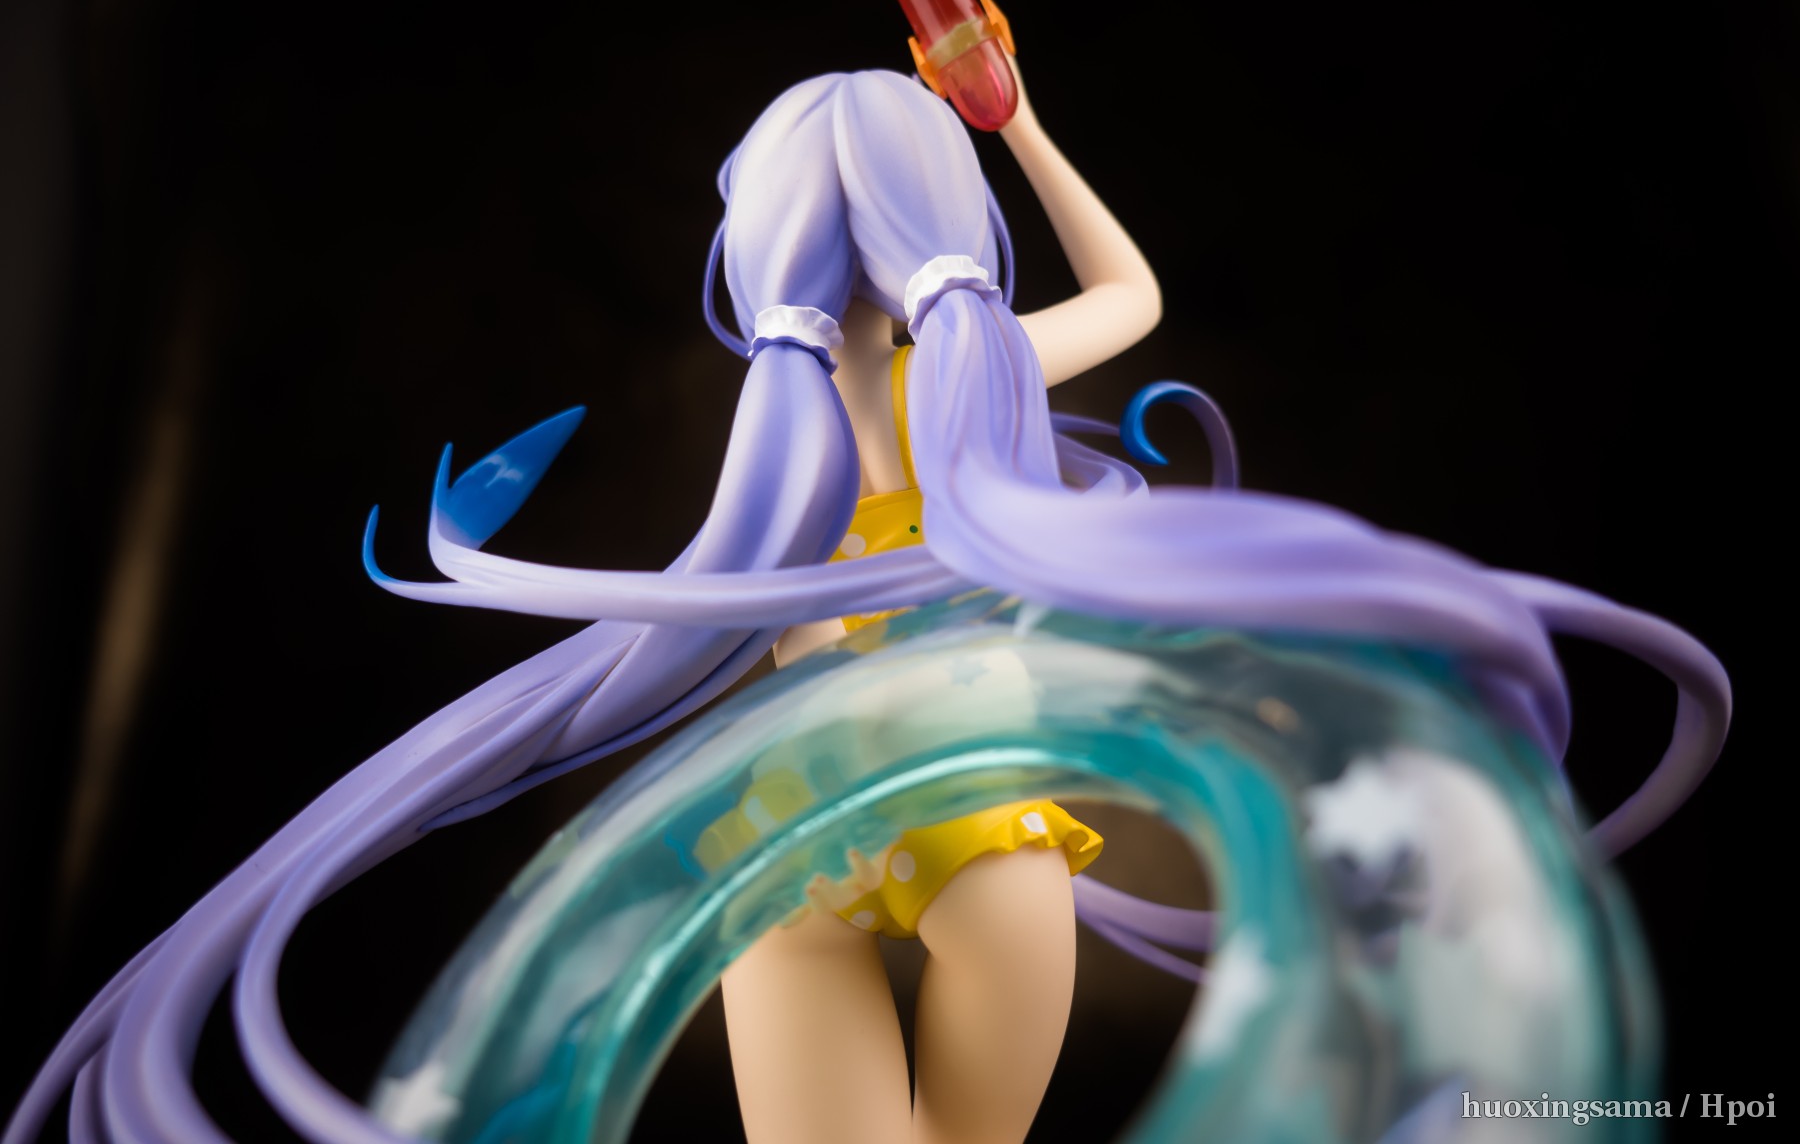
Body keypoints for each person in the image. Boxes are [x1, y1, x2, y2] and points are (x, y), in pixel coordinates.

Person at [4, 66, 1729, 1144]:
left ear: (757, 228)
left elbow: (1094, 325)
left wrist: (1006, 123)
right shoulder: (927, 396)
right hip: (895, 841)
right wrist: (1014, 124)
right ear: (936, 212)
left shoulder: (797, 425)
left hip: (836, 836)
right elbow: (1131, 294)